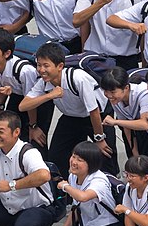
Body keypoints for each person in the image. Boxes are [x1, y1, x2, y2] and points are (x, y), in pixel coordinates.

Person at [18, 42, 116, 176]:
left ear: (60, 66)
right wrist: (49, 96)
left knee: (106, 154)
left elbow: (94, 111)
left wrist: (99, 138)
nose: (41, 70)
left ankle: (112, 184)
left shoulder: (78, 78)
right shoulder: (44, 82)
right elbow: (23, 106)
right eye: (39, 65)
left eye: (46, 65)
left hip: (98, 117)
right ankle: (62, 189)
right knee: (56, 157)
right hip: (71, 118)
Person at [0, 28, 48, 140]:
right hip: (17, 95)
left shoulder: (24, 71)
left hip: (37, 101)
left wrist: (33, 126)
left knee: (35, 140)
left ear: (7, 53)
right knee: (9, 135)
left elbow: (31, 101)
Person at [99, 66, 148, 171]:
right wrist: (134, 151)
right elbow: (126, 125)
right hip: (139, 132)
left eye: (112, 92)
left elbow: (144, 124)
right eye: (106, 91)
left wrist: (115, 122)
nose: (108, 95)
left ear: (126, 88)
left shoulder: (143, 92)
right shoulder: (116, 99)